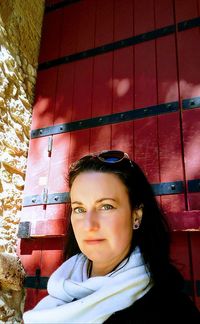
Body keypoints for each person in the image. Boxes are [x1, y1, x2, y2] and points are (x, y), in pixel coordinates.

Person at [23, 150, 200, 323]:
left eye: (106, 206)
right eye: (79, 209)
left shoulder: (171, 311)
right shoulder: (61, 288)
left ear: (135, 216)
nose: (89, 225)